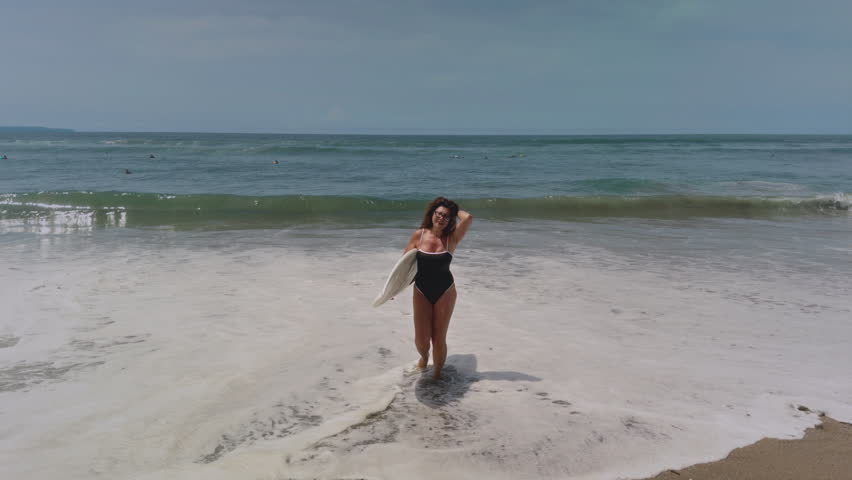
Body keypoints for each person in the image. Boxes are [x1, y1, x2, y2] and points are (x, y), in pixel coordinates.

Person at [403, 197, 473, 380]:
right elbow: (403, 265)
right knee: (421, 340)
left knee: (438, 338)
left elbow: (468, 218)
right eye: (439, 213)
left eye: (446, 216)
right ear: (432, 214)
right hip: (421, 290)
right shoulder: (419, 235)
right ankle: (424, 357)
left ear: (450, 220)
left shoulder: (452, 238)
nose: (441, 218)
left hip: (445, 291)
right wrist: (394, 289)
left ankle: (436, 376)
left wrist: (453, 208)